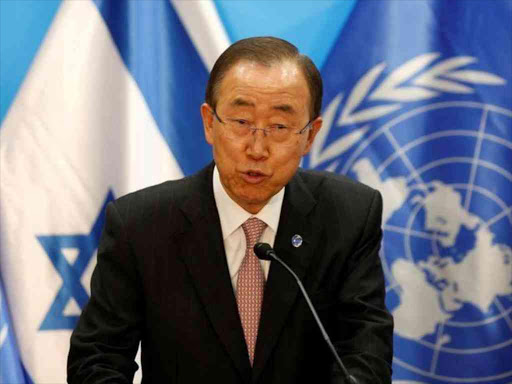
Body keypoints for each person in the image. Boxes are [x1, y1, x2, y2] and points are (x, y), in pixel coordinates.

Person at [68, 36, 393, 384]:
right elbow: (97, 361)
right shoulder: (140, 225)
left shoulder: (349, 216)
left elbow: (365, 356)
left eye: (279, 127)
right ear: (210, 123)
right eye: (240, 121)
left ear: (310, 136)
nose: (257, 148)